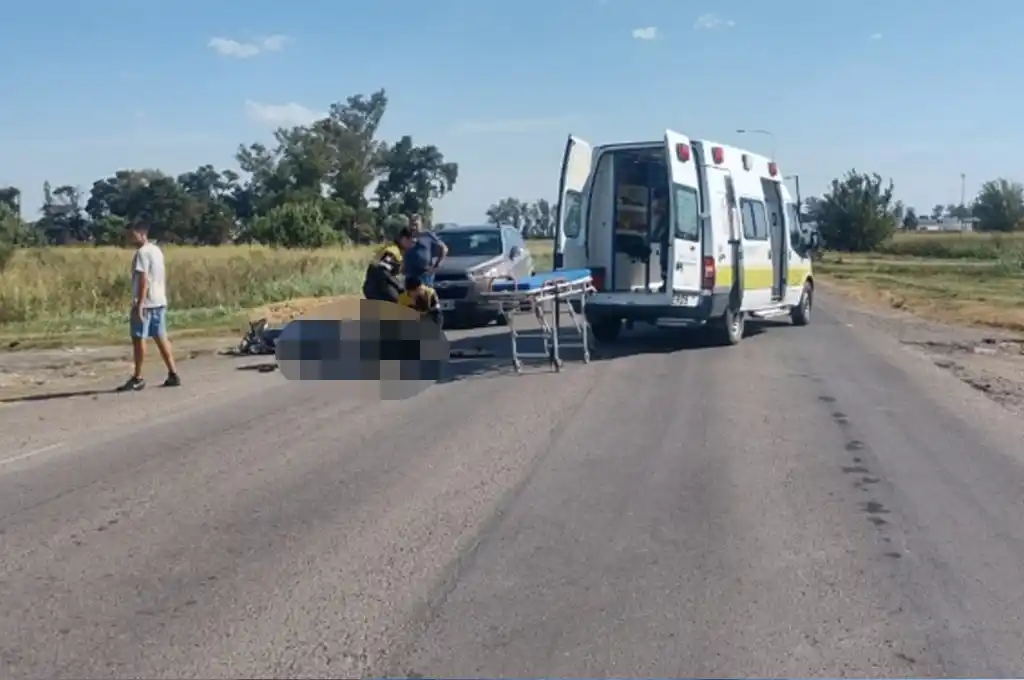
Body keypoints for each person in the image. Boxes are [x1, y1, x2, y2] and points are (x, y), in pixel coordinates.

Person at [118, 222, 180, 392]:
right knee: (161, 336)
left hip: (147, 303)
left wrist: (139, 304)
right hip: (159, 300)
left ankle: (138, 377)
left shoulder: (142, 253)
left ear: (142, 233)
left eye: (133, 234)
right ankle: (173, 372)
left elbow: (144, 280)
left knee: (139, 338)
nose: (130, 238)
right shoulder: (157, 250)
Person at [363, 226, 416, 303]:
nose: (412, 245)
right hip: (376, 287)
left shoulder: (395, 249)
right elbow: (383, 271)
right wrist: (399, 286)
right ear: (404, 239)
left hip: (378, 286)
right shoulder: (392, 252)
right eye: (412, 242)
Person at [405, 213, 448, 287]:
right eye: (411, 224)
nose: (414, 227)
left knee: (426, 295)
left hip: (425, 274)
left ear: (421, 224)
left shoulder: (427, 235)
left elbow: (444, 248)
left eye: (416, 224)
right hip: (410, 274)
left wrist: (436, 265)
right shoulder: (406, 236)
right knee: (410, 296)